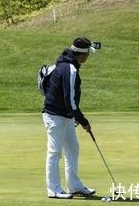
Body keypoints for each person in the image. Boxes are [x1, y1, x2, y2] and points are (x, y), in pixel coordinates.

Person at [42, 37, 96, 199]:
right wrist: (83, 120)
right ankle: (54, 189)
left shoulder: (67, 64)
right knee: (54, 152)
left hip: (65, 116)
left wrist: (75, 117)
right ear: (83, 54)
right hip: (55, 116)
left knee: (72, 149)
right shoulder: (70, 69)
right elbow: (70, 100)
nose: (88, 57)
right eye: (88, 53)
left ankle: (74, 186)